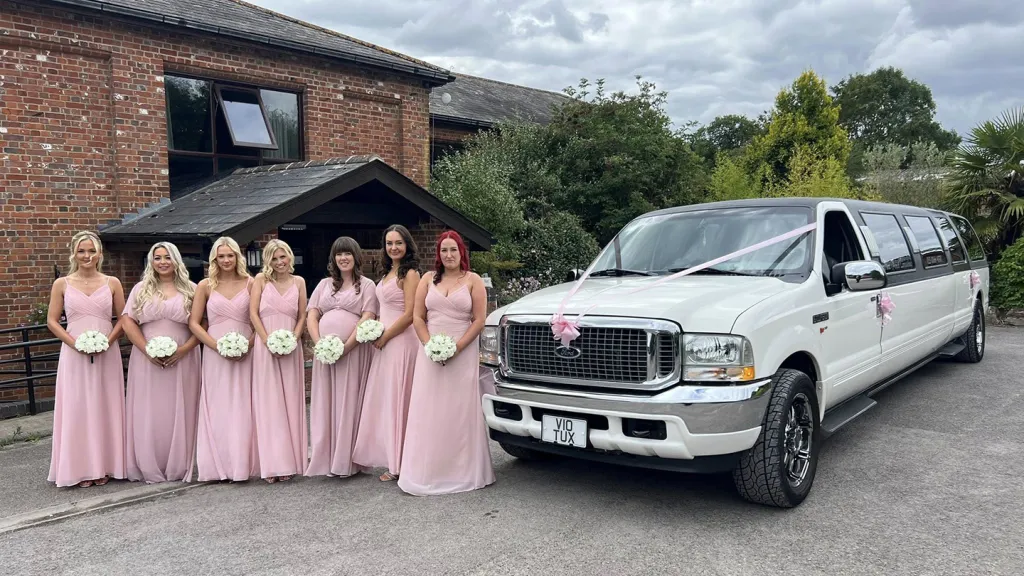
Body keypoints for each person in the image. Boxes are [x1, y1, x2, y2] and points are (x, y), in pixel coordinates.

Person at [397, 230, 495, 495]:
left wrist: (457, 348)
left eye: (453, 250)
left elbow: (479, 320)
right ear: (438, 254)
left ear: (461, 252)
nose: (449, 255)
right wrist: (429, 345)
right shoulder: (428, 279)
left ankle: (461, 470)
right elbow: (418, 317)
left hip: (462, 353)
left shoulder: (473, 280)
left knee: (459, 411)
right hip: (429, 352)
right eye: (444, 250)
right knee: (429, 410)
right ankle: (429, 470)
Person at [45, 231, 127, 488]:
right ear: (74, 253)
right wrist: (75, 343)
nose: (87, 256)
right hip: (74, 354)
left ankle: (105, 465)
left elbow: (124, 319)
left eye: (92, 251)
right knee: (78, 406)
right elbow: (52, 321)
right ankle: (79, 467)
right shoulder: (62, 284)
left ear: (100, 254)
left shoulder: (112, 282)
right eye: (82, 251)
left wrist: (107, 341)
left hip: (106, 353)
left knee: (105, 404)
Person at [122, 241, 202, 483]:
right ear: (151, 261)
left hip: (184, 357)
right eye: (157, 258)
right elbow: (127, 321)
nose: (162, 262)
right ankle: (149, 462)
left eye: (167, 257)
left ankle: (181, 463)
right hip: (146, 359)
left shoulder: (192, 289)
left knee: (182, 406)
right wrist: (147, 351)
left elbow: (203, 323)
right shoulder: (140, 288)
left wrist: (184, 350)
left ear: (177, 260)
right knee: (150, 408)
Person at [305, 237, 379, 478]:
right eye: (338, 254)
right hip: (324, 355)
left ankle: (347, 460)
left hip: (353, 353)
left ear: (356, 257)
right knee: (326, 402)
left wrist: (345, 348)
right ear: (333, 259)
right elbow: (312, 315)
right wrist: (320, 344)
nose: (343, 258)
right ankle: (326, 458)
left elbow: (368, 317)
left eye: (347, 253)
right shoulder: (324, 284)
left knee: (348, 401)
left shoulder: (366, 285)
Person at [352, 225, 421, 481]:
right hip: (384, 340)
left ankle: (401, 464)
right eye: (389, 243)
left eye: (398, 243)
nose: (394, 248)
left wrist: (386, 336)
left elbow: (411, 314)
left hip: (402, 341)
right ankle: (394, 458)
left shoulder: (410, 273)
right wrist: (373, 330)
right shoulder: (387, 271)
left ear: (407, 245)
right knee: (388, 400)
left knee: (400, 399)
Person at [190, 236, 259, 482]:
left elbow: (256, 320)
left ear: (237, 257)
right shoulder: (205, 286)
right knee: (218, 405)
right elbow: (194, 323)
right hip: (215, 353)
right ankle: (217, 465)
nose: (226, 260)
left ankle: (243, 464)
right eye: (221, 256)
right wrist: (215, 346)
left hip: (245, 352)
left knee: (244, 403)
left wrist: (248, 345)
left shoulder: (251, 283)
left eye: (230, 255)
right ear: (214, 259)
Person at [250, 239, 308, 483]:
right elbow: (253, 313)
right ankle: (271, 464)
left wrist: (293, 339)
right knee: (269, 404)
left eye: (283, 257)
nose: (280, 262)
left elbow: (303, 314)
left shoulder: (299, 282)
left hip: (291, 347)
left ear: (290, 257)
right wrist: (267, 342)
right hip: (265, 348)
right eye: (274, 258)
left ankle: (290, 462)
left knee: (290, 403)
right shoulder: (261, 281)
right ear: (268, 261)